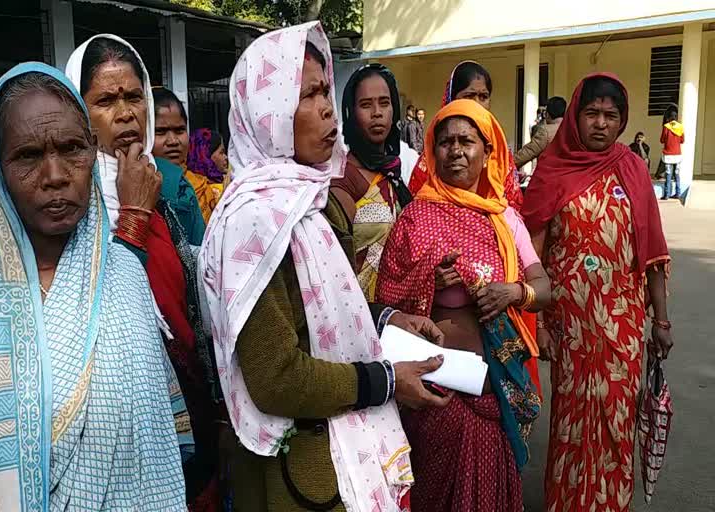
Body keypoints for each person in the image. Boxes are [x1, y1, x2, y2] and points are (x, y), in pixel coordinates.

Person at [198, 22, 453, 512]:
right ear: (267, 113)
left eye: (324, 91)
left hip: (332, 450)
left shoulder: (310, 200)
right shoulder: (255, 223)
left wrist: (388, 318)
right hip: (299, 473)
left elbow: (327, 308)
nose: (326, 108)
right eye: (307, 95)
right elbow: (277, 379)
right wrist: (384, 381)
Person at [0, 63, 189, 511]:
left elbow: (158, 436)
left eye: (72, 148)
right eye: (28, 156)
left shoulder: (123, 275)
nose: (56, 174)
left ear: (92, 153)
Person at [65, 35, 219, 510]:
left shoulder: (166, 188)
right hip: (115, 426)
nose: (126, 113)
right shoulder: (69, 204)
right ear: (79, 113)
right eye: (106, 101)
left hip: (189, 404)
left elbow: (192, 296)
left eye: (134, 97)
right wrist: (132, 211)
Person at [377, 99, 549, 512]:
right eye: (445, 142)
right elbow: (383, 301)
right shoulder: (416, 216)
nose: (456, 151)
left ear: (488, 152)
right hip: (436, 390)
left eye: (467, 141)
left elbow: (545, 288)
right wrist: (427, 282)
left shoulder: (504, 217)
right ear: (432, 152)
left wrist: (513, 292)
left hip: (495, 386)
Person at [522, 73, 673, 512]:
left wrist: (660, 320)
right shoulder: (552, 169)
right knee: (573, 423)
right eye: (592, 113)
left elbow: (654, 253)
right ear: (575, 116)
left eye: (611, 115)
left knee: (616, 423)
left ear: (622, 120)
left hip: (622, 327)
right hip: (570, 329)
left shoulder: (632, 169)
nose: (601, 124)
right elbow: (533, 255)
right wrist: (539, 326)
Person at [331, 63, 413, 301]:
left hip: (399, 316)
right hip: (361, 317)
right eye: (366, 105)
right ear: (351, 113)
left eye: (384, 103)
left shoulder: (394, 173)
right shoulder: (343, 180)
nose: (377, 112)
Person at [408, 61, 524, 211]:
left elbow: (512, 207)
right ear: (452, 98)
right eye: (469, 96)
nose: (476, 104)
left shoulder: (499, 155)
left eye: (483, 97)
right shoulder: (433, 161)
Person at [151, 87, 231, 223]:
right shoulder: (136, 189)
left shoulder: (202, 188)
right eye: (160, 131)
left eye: (180, 130)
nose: (173, 141)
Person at [513, 96, 566, 170]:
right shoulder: (570, 129)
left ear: (547, 114)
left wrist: (508, 163)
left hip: (550, 175)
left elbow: (528, 152)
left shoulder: (545, 131)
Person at [660, 107, 685, 199]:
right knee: (677, 174)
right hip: (678, 154)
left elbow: (662, 140)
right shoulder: (680, 127)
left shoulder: (666, 127)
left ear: (669, 117)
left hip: (668, 155)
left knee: (668, 174)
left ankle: (666, 195)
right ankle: (678, 193)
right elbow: (682, 141)